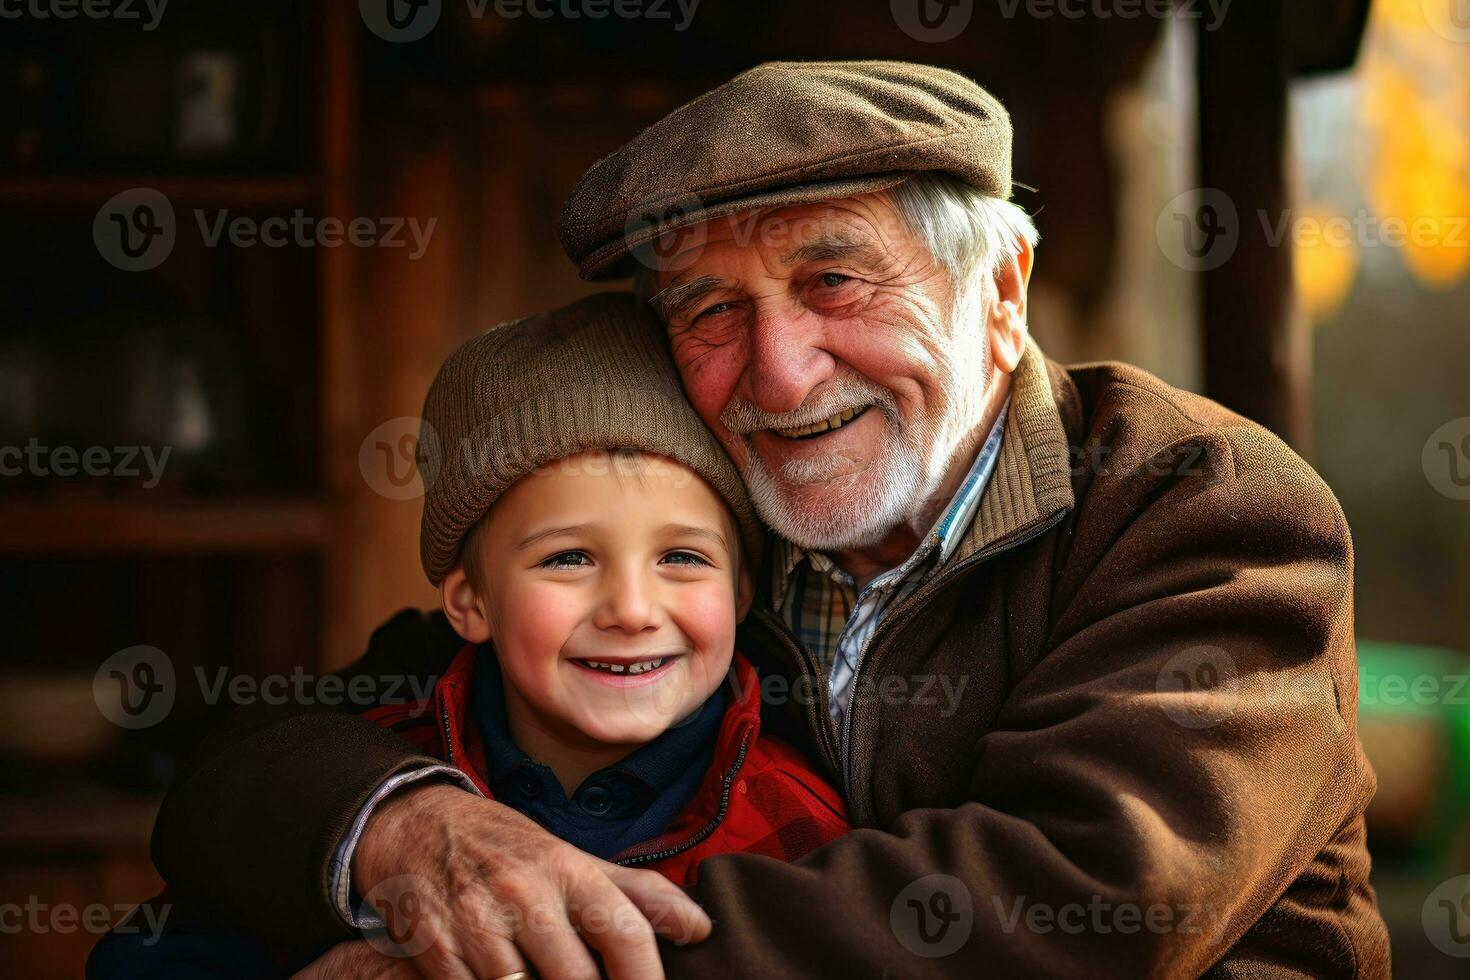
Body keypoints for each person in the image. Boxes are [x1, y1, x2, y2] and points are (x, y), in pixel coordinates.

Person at [149, 62, 1390, 978]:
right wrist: (405, 828)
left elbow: (1083, 900)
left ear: (1000, 293)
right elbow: (266, 752)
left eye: (833, 280)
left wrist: (505, 963)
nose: (781, 376)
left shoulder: (1207, 505)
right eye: (710, 311)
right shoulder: (718, 518)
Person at [90, 294, 847, 976]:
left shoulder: (796, 819)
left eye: (682, 558)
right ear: (470, 602)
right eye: (569, 558)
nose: (631, 608)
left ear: (741, 590)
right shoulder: (371, 775)